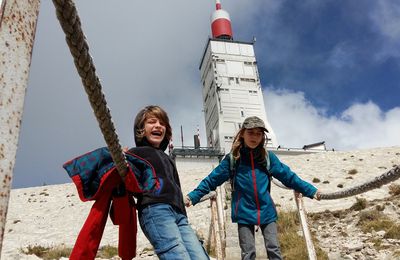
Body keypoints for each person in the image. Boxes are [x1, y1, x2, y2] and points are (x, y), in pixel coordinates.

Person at [185, 116, 321, 260]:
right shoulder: (233, 159)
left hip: (266, 211)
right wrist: (193, 196)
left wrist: (311, 190)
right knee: (248, 253)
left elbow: (289, 177)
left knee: (274, 249)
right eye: (251, 132)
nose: (254, 137)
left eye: (259, 133)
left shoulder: (268, 158)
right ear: (242, 133)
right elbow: (211, 180)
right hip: (243, 212)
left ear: (263, 137)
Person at [129, 105, 209, 260]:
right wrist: (124, 163)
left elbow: (176, 186)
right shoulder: (135, 153)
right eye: (152, 122)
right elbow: (130, 181)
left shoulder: (168, 159)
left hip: (179, 214)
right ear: (140, 130)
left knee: (200, 256)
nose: (158, 125)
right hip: (155, 209)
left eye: (162, 123)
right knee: (177, 255)